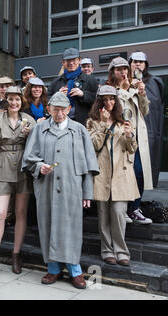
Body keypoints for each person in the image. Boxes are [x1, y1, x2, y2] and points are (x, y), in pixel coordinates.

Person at [22, 92, 99, 290]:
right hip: (46, 187)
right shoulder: (39, 129)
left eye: (63, 109)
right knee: (47, 226)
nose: (59, 113)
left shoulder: (79, 130)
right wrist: (40, 166)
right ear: (49, 110)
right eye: (55, 109)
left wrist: (87, 193)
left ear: (69, 110)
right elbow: (29, 159)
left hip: (72, 188)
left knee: (72, 229)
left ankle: (75, 270)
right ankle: (53, 268)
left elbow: (89, 166)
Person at [0, 86, 36, 277]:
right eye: (11, 99)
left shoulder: (28, 120)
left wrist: (30, 133)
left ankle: (16, 255)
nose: (14, 103)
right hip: (3, 166)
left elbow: (35, 144)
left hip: (23, 168)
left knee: (21, 212)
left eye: (17, 99)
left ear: (22, 101)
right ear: (6, 100)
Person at [86, 85, 139, 266]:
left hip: (121, 174)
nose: (108, 102)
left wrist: (130, 134)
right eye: (105, 99)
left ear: (115, 100)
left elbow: (131, 148)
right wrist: (102, 123)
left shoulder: (122, 120)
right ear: (99, 101)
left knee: (118, 212)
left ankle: (121, 251)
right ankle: (107, 250)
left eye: (111, 99)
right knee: (103, 215)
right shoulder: (92, 121)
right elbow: (93, 145)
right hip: (101, 173)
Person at [106, 57, 152, 224]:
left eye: (125, 69)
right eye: (119, 69)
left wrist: (142, 93)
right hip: (120, 138)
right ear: (113, 72)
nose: (123, 72)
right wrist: (124, 91)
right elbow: (118, 112)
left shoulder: (133, 86)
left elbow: (145, 111)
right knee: (124, 174)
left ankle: (135, 208)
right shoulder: (109, 90)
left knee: (139, 173)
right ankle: (124, 209)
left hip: (136, 137)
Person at [129, 51, 165, 187]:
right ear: (130, 64)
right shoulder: (124, 82)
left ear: (145, 64)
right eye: (134, 61)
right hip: (128, 131)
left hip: (146, 131)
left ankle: (136, 205)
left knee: (141, 170)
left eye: (141, 62)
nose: (137, 64)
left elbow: (155, 106)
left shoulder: (154, 82)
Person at [48, 48, 99, 125]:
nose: (71, 63)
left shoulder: (90, 80)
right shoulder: (56, 82)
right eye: (68, 60)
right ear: (63, 63)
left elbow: (98, 100)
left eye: (74, 60)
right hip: (61, 122)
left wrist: (83, 94)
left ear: (79, 60)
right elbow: (46, 100)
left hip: (84, 123)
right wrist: (57, 95)